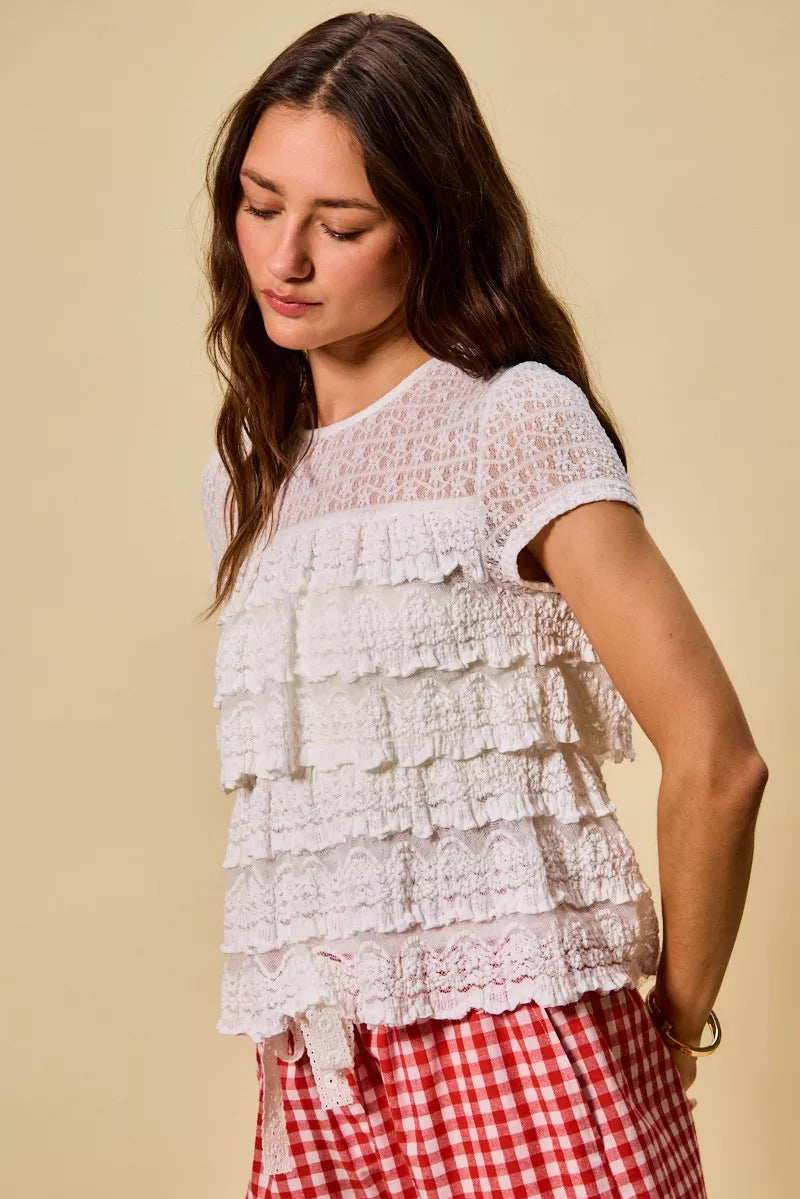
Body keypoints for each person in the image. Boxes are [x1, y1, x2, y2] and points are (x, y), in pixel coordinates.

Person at [197, 12, 768, 1199]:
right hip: (321, 1079)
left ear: (432, 228)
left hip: (524, 1060)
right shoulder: (249, 466)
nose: (284, 258)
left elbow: (717, 760)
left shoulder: (511, 420)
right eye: (258, 204)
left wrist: (673, 1027)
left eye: (339, 225)